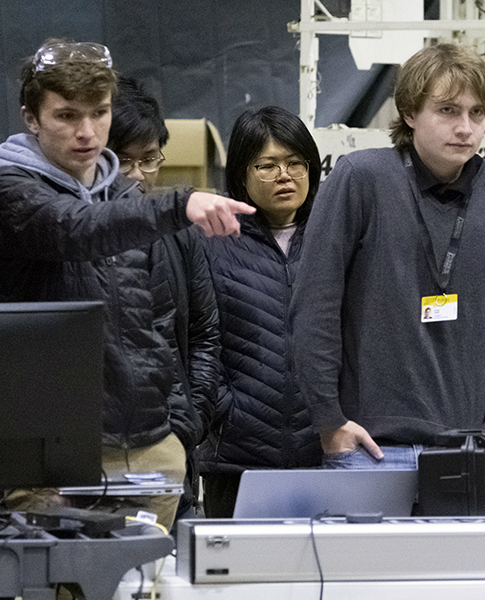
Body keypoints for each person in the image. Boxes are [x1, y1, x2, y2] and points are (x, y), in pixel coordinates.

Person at [0, 40, 254, 530]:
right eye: (67, 115)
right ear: (31, 118)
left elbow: (153, 326)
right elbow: (73, 228)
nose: (87, 132)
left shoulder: (120, 197)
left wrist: (177, 430)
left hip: (148, 449)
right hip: (45, 459)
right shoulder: (13, 188)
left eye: (100, 113)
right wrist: (180, 204)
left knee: (147, 585)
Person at [293, 43, 485, 470]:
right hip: (369, 445)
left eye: (477, 113)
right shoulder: (361, 178)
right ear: (410, 113)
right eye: (447, 110)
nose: (465, 127)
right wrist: (329, 421)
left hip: (469, 448)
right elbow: (315, 307)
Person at [194, 106, 324, 517]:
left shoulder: (335, 237)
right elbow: (195, 339)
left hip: (325, 456)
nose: (284, 176)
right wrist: (222, 410)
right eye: (267, 165)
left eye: (295, 163)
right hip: (235, 459)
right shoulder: (211, 243)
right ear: (241, 174)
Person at [107, 76, 220, 523]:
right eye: (122, 160)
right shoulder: (70, 231)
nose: (137, 174)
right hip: (89, 452)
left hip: (168, 445)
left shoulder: (180, 232)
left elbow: (204, 333)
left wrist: (188, 423)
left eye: (149, 159)